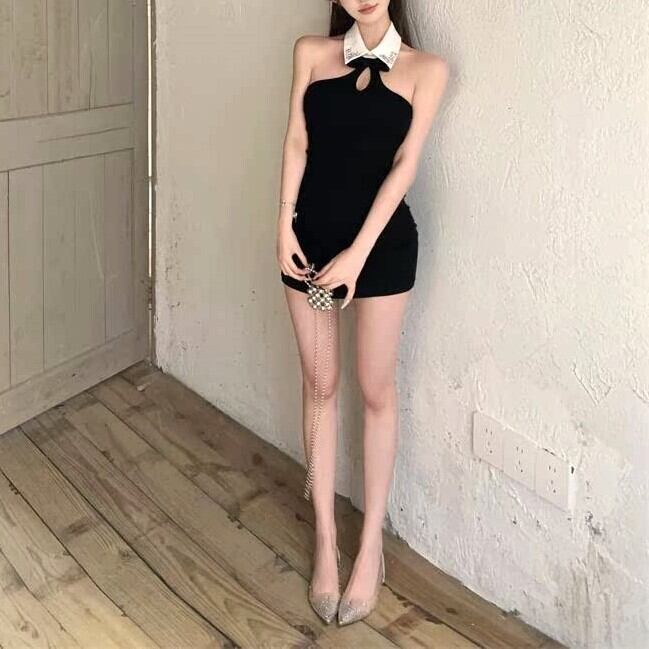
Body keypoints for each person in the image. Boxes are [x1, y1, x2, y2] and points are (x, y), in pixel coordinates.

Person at [275, 0, 449, 627]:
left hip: (379, 252)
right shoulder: (311, 53)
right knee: (320, 385)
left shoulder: (427, 70)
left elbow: (405, 166)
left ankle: (370, 544)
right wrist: (282, 224)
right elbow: (297, 139)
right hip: (310, 247)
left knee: (376, 391)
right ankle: (326, 539)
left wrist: (357, 254)